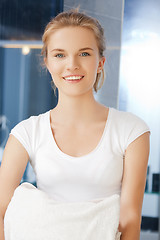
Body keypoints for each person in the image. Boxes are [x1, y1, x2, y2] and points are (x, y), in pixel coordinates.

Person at [0, 8, 150, 240]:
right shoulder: (26, 133)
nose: (72, 65)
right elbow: (1, 212)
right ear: (47, 62)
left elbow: (130, 221)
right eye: (60, 55)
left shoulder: (131, 131)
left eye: (84, 54)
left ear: (100, 62)